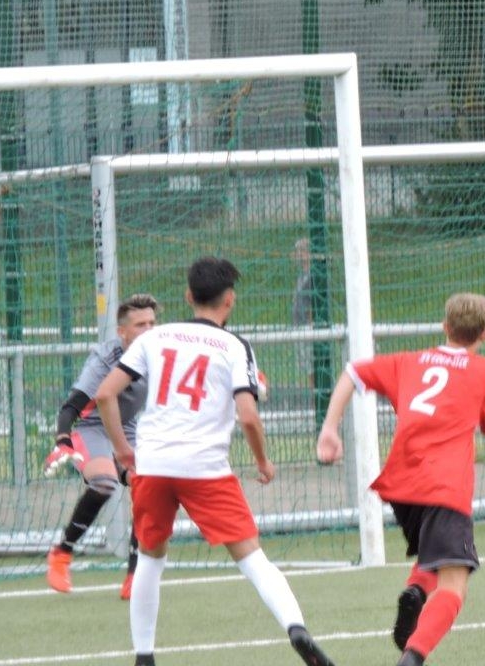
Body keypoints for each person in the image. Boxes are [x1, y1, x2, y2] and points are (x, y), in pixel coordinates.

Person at [96, 257, 334, 666]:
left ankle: (144, 656)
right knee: (253, 559)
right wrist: (263, 462)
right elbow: (248, 416)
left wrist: (122, 450)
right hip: (204, 469)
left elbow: (104, 394)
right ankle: (296, 628)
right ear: (230, 300)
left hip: (153, 464)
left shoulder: (156, 337)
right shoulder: (234, 347)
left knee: (150, 558)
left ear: (188, 296)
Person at [316, 292, 485, 666]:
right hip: (444, 487)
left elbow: (353, 372)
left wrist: (329, 428)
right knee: (454, 585)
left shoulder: (408, 362)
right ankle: (413, 658)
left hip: (403, 484)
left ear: (444, 326)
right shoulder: (484, 370)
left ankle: (417, 591)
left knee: (433, 554)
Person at [44, 293, 160, 599]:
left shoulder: (160, 351)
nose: (148, 330)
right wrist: (62, 439)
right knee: (104, 483)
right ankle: (62, 552)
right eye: (140, 325)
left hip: (128, 428)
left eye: (152, 323)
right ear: (122, 331)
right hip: (93, 427)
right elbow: (73, 405)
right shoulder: (105, 359)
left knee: (148, 488)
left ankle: (135, 575)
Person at [291, 238, 314, 408]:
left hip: (308, 326)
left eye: (301, 251)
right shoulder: (302, 275)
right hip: (299, 325)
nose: (297, 255)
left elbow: (314, 302)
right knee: (307, 367)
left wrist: (311, 324)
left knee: (312, 365)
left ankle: (318, 400)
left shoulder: (313, 275)